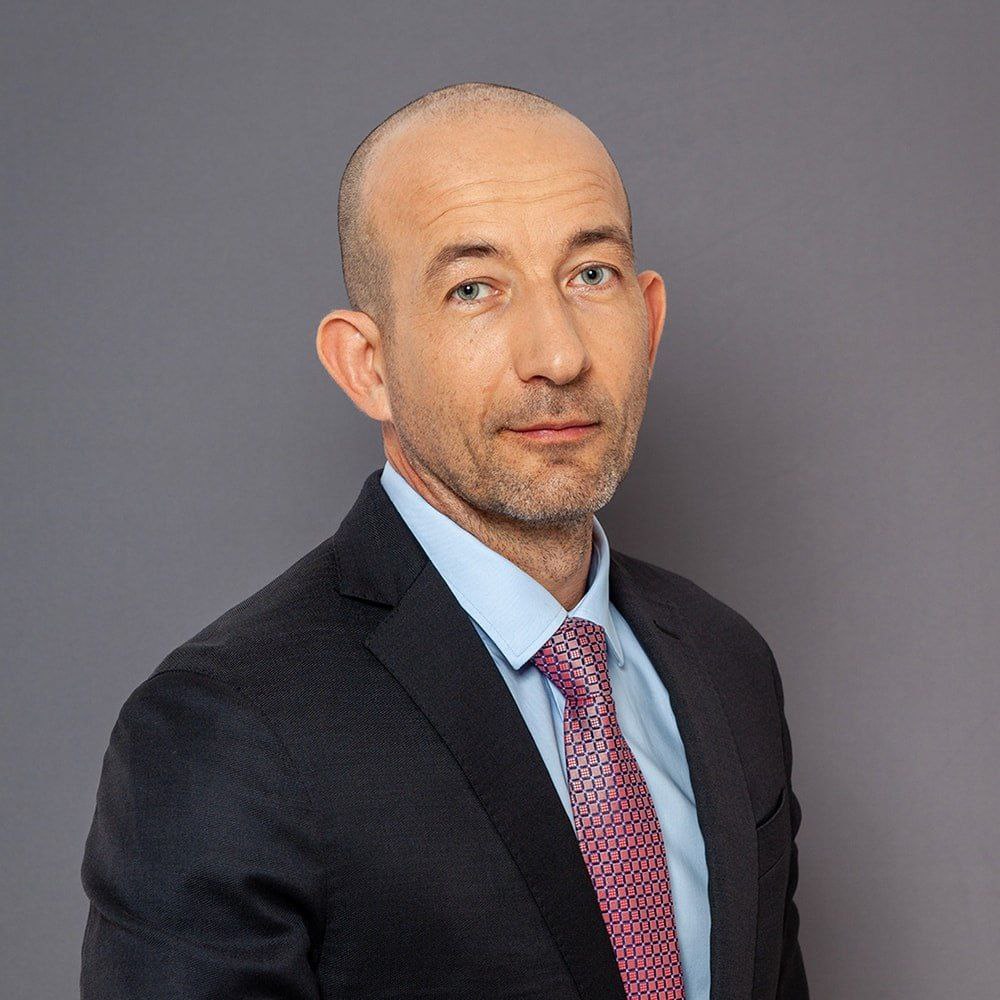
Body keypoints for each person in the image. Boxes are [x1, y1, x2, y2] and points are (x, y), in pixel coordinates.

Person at [80, 81, 809, 999]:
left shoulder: (726, 664)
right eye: (474, 289)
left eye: (591, 275)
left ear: (650, 320)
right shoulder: (225, 730)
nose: (558, 355)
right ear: (368, 366)